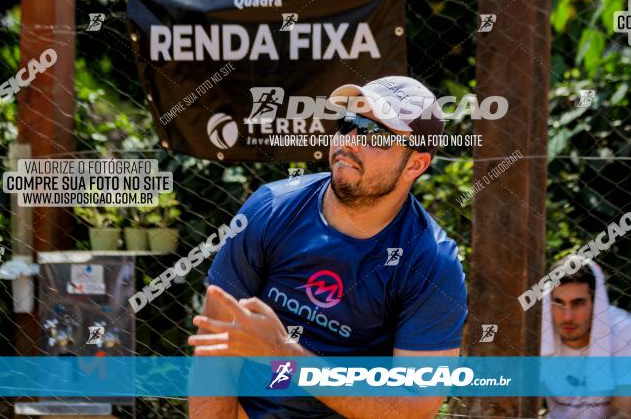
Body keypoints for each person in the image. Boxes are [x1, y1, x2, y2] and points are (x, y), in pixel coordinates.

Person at [188, 76, 469, 419]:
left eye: (373, 132)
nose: (350, 140)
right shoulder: (271, 208)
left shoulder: (431, 261)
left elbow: (413, 407)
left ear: (415, 164)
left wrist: (285, 353)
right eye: (348, 122)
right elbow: (214, 352)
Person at [541, 255, 631, 419]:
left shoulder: (625, 330)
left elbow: (627, 413)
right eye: (558, 303)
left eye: (578, 303)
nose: (567, 317)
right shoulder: (538, 331)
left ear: (596, 303)